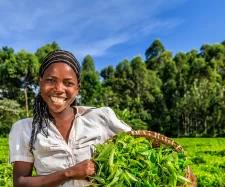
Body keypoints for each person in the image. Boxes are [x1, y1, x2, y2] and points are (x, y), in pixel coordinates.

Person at [8, 50, 132, 187]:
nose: (59, 89)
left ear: (77, 88)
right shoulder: (25, 128)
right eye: (51, 80)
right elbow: (20, 183)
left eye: (68, 83)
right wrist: (69, 173)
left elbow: (135, 147)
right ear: (40, 82)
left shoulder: (100, 117)